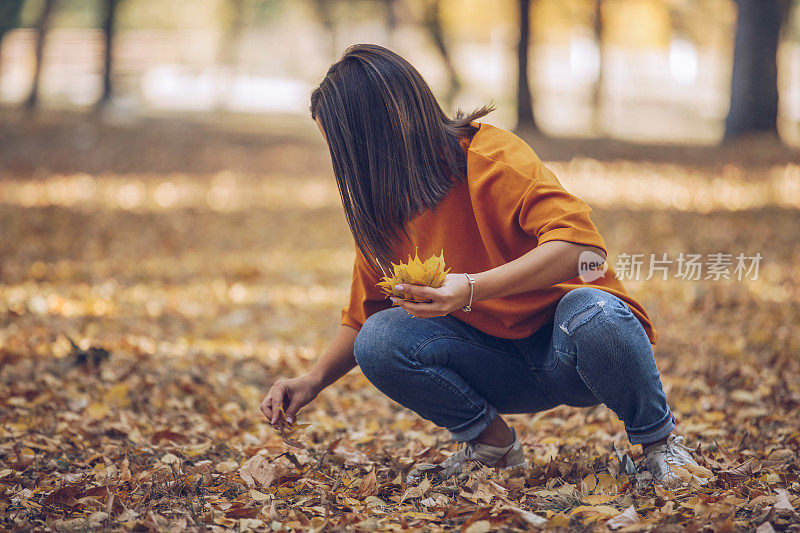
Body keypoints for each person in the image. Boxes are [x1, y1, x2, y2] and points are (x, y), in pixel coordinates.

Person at [260, 43, 702, 486]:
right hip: (494, 367)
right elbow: (365, 316)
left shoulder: (489, 156)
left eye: (342, 147)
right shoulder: (383, 211)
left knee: (594, 312)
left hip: (576, 354)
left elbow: (580, 249)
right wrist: (312, 381)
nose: (344, 165)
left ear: (376, 133)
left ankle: (661, 445)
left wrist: (470, 288)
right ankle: (493, 446)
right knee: (380, 340)